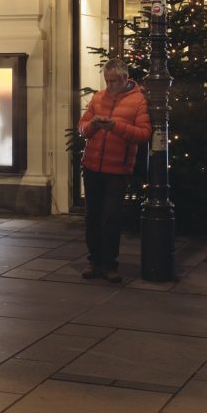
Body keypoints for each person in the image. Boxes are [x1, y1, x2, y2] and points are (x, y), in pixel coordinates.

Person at [78, 58, 152, 284]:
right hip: (92, 165)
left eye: (113, 81)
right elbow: (82, 128)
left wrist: (116, 127)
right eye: (106, 81)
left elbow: (143, 134)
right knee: (93, 217)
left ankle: (110, 264)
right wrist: (93, 126)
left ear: (124, 78)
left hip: (117, 168)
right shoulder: (98, 97)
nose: (109, 86)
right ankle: (94, 261)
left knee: (111, 217)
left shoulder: (138, 100)